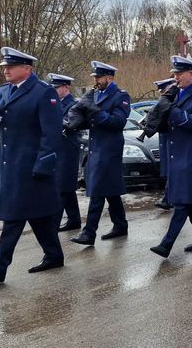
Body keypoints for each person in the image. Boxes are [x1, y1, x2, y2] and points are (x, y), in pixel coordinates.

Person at [0, 47, 64, 283]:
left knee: (13, 217)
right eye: (4, 67)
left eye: (10, 66)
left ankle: (0, 267)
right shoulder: (4, 92)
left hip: (30, 167)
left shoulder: (43, 93)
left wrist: (44, 165)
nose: (5, 70)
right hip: (10, 164)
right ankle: (54, 254)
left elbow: (52, 133)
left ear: (26, 68)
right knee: (39, 217)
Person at [150, 55, 192, 257]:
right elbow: (167, 124)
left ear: (191, 74)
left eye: (179, 74)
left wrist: (173, 110)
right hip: (178, 155)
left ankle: (166, 244)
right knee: (191, 201)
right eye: (174, 73)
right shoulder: (175, 93)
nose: (175, 77)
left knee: (182, 202)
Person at [70, 61, 130, 246]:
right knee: (110, 190)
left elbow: (118, 122)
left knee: (98, 189)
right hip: (96, 146)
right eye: (94, 77)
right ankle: (120, 225)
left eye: (99, 77)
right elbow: (90, 119)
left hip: (109, 148)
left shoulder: (121, 96)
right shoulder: (95, 95)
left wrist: (94, 112)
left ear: (109, 78)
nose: (95, 80)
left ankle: (89, 233)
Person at [48, 73, 82, 231]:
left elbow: (71, 124)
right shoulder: (54, 103)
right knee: (66, 188)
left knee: (62, 186)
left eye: (57, 87)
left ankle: (53, 224)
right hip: (56, 148)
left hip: (67, 149)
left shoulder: (74, 104)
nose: (54, 90)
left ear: (66, 87)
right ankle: (74, 219)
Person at [153, 77, 177, 211]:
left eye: (163, 90)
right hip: (165, 141)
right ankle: (169, 198)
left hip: (171, 139)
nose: (161, 93)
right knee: (170, 172)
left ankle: (168, 199)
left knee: (172, 172)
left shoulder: (172, 100)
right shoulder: (165, 100)